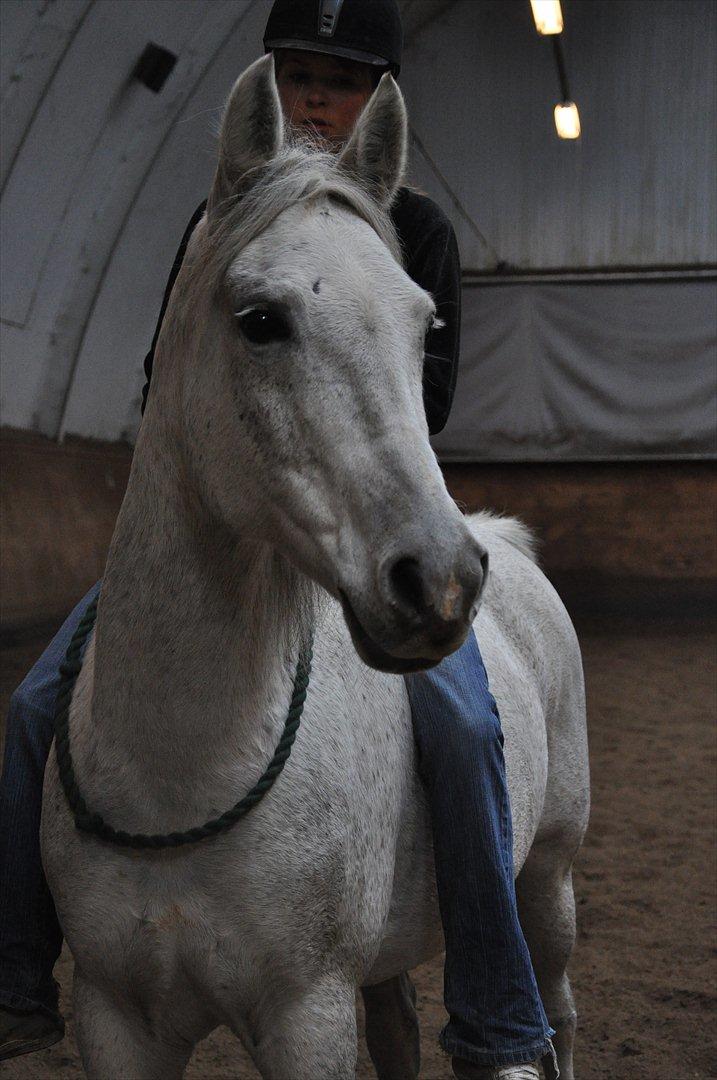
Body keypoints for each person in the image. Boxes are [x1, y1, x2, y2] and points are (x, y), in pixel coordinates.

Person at [0, 3, 557, 1077]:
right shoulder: (219, 228)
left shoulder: (420, 230)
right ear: (265, 85)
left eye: (342, 83)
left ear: (377, 104)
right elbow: (175, 387)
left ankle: (496, 1009)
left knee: (462, 726)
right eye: (299, 73)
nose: (315, 98)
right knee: (32, 711)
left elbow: (418, 403)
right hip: (235, 503)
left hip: (352, 498)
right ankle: (18, 970)